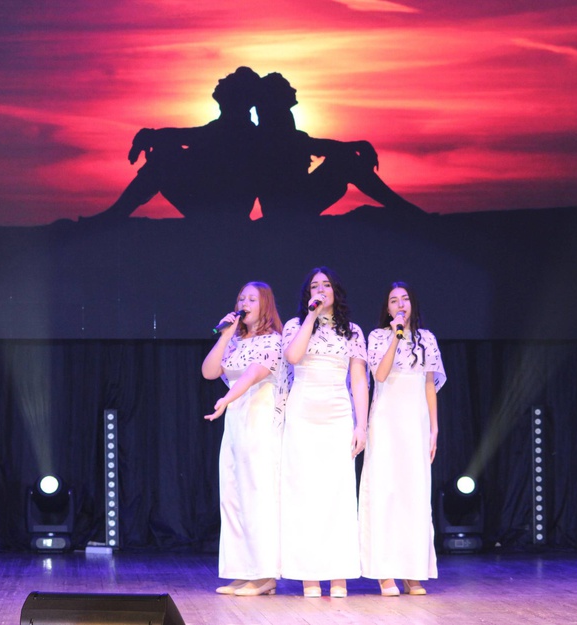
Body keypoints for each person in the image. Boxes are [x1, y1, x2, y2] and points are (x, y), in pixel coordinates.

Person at [279, 267, 368, 598]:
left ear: (335, 291)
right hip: (303, 411)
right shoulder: (295, 325)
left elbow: (358, 379)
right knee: (304, 492)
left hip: (338, 412)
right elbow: (293, 356)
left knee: (337, 493)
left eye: (326, 285)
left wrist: (362, 424)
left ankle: (338, 574)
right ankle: (309, 576)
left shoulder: (352, 331)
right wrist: (311, 317)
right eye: (314, 286)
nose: (320, 290)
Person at [358, 282, 446, 596]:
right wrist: (395, 337)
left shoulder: (427, 339)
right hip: (386, 420)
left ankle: (413, 571)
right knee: (386, 491)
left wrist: (434, 428)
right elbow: (380, 375)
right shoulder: (377, 337)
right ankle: (385, 573)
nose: (400, 304)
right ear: (387, 308)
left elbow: (429, 385)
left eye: (405, 299)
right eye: (394, 300)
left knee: (414, 494)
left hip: (415, 422)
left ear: (412, 305)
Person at [201, 281, 287, 597]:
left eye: (252, 299)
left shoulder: (274, 340)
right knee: (233, 494)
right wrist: (226, 334)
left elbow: (252, 375)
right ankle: (242, 571)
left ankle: (264, 574)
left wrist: (226, 399)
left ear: (265, 305)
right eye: (241, 298)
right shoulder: (236, 341)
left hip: (260, 420)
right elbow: (209, 371)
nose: (244, 303)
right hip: (236, 422)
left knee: (257, 495)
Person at [92, 66, 262, 221]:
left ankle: (115, 215)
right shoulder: (227, 126)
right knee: (164, 152)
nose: (220, 80)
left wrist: (150, 136)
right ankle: (116, 213)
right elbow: (189, 138)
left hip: (222, 210)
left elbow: (190, 137)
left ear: (237, 94)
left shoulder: (238, 128)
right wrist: (152, 136)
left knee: (163, 156)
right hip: (216, 203)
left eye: (228, 80)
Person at [254, 73, 424, 220]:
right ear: (276, 96)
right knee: (345, 160)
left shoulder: (282, 131)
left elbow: (310, 145)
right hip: (289, 208)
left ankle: (403, 208)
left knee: (345, 158)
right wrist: (357, 146)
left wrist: (355, 146)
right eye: (287, 87)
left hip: (294, 202)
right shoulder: (272, 132)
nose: (293, 90)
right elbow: (313, 146)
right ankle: (405, 210)